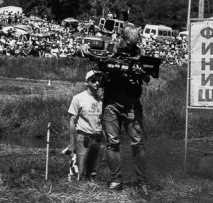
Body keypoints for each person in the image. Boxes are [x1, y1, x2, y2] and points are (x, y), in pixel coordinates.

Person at [101, 24, 152, 193]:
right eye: (129, 44)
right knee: (112, 142)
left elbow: (147, 77)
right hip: (112, 101)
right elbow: (99, 65)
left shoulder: (139, 53)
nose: (131, 47)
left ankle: (142, 181)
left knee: (137, 143)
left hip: (132, 102)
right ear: (123, 39)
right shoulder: (110, 48)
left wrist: (140, 71)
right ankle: (116, 179)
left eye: (134, 44)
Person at [65, 70, 104, 182]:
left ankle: (91, 187)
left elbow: (102, 121)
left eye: (98, 81)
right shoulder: (78, 98)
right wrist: (72, 144)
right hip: (83, 138)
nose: (97, 83)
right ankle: (76, 186)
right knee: (80, 171)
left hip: (97, 138)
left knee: (93, 172)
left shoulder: (101, 100)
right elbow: (72, 122)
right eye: (93, 81)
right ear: (87, 82)